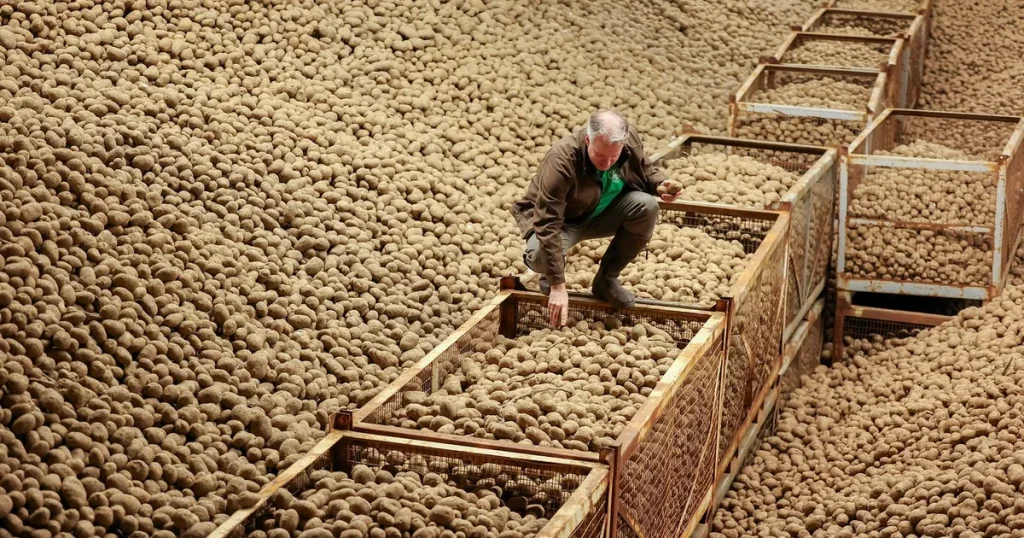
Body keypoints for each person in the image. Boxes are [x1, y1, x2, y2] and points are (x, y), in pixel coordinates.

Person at [511, 110, 678, 326]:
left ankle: (606, 281)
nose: (608, 162)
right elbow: (548, 221)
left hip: (603, 212)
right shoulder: (561, 160)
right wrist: (558, 285)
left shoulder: (629, 141)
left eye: (614, 157)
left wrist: (659, 185)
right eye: (600, 156)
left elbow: (644, 168)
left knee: (647, 205)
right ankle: (551, 272)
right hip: (563, 222)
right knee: (540, 256)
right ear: (588, 139)